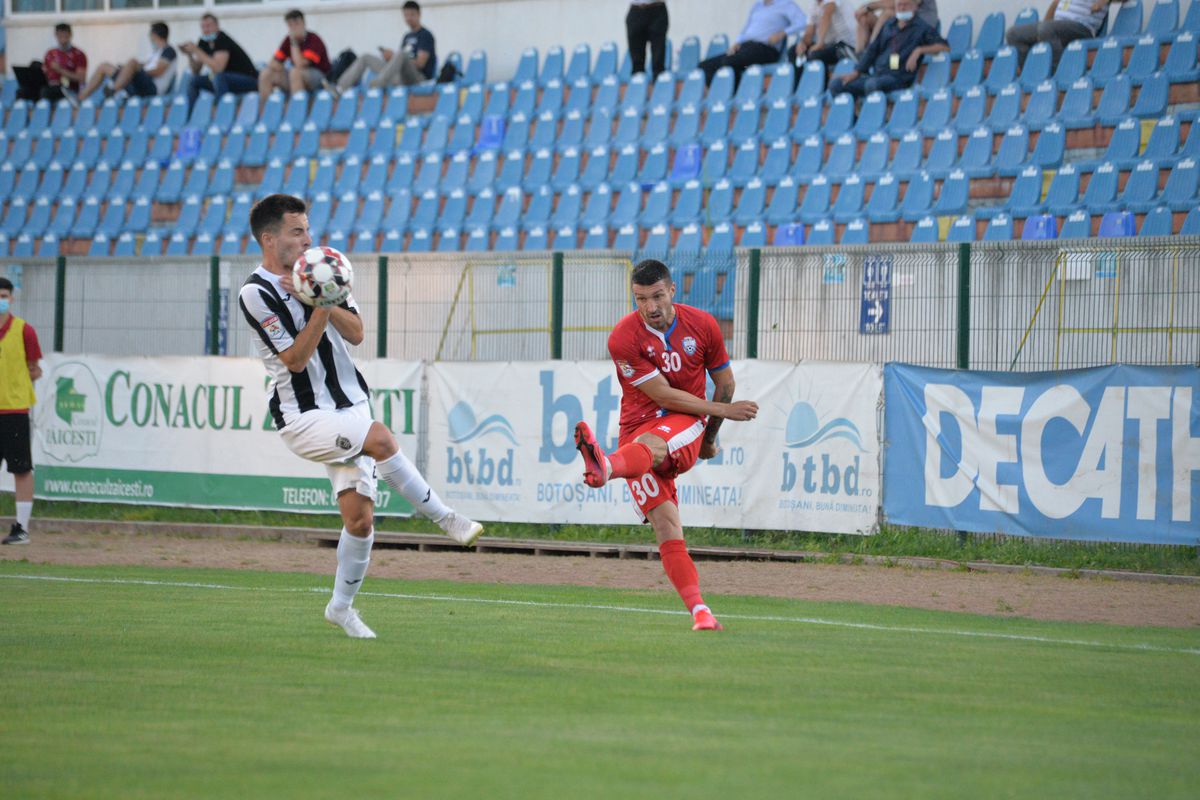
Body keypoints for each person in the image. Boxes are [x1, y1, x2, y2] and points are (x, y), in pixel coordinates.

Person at [238, 194, 483, 638]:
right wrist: (318, 304)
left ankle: (340, 608)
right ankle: (447, 518)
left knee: (359, 519)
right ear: (269, 239)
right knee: (383, 439)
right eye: (297, 232)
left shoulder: (322, 271)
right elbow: (294, 360)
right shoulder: (255, 293)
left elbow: (357, 333)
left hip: (350, 403)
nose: (308, 239)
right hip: (304, 416)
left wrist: (325, 297)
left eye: (307, 229)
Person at [573, 260, 759, 632]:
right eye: (641, 299)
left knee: (652, 443)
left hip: (684, 423)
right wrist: (723, 410)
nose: (650, 307)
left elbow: (725, 384)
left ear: (673, 291)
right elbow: (660, 393)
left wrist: (709, 436)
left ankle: (605, 467)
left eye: (657, 296)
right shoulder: (622, 337)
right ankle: (700, 612)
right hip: (635, 434)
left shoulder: (702, 325)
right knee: (667, 527)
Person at [0, 278, 43, 547]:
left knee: (21, 469)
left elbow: (35, 368)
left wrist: (19, 382)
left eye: (4, 295)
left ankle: (22, 528)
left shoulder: (24, 330)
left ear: (12, 298)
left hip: (14, 409)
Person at [830, 0, 947, 98]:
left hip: (898, 78)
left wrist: (919, 50)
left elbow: (944, 46)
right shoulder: (889, 26)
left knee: (872, 84)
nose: (902, 8)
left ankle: (875, 120)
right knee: (836, 85)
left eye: (905, 4)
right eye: (899, 5)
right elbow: (872, 50)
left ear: (915, 7)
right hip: (878, 75)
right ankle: (855, 121)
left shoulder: (921, 28)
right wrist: (856, 73)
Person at [332, 1, 436, 94]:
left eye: (412, 15)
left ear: (419, 14)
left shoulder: (425, 35)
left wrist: (395, 56)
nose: (408, 18)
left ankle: (378, 84)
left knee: (401, 54)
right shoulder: (407, 36)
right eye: (406, 15)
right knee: (366, 57)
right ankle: (340, 88)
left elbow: (420, 64)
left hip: (418, 79)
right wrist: (391, 58)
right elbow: (399, 61)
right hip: (400, 77)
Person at [698, 0, 808, 88]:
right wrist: (737, 42)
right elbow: (746, 28)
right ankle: (720, 95)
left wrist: (783, 33)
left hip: (764, 49)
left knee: (730, 62)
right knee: (705, 66)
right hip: (744, 48)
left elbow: (803, 22)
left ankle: (736, 96)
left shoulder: (786, 4)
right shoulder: (757, 5)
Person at [77, 21, 176, 103]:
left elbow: (158, 71)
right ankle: (80, 98)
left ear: (154, 35)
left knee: (132, 62)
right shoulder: (155, 53)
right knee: (104, 66)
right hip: (139, 84)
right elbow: (144, 66)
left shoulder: (169, 51)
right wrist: (126, 70)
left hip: (153, 88)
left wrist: (134, 70)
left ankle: (113, 90)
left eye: (150, 35)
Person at [1006, 0, 1118, 69]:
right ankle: (1032, 74)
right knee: (1013, 34)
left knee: (1047, 29)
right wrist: (1042, 27)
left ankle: (1059, 73)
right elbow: (1056, 3)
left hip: (1082, 27)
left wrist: (1105, 0)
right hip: (1058, 26)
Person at [181, 13, 259, 111]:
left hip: (248, 80)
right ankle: (190, 114)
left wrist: (197, 50)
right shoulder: (203, 42)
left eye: (208, 26)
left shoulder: (222, 39)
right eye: (203, 27)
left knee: (219, 77)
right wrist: (190, 54)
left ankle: (220, 112)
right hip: (224, 81)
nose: (206, 30)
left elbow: (218, 68)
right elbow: (196, 70)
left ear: (217, 26)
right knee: (194, 80)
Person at [258, 9, 331, 109]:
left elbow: (300, 64)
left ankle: (297, 112)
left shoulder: (313, 39)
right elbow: (273, 63)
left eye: (296, 23)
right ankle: (268, 112)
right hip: (296, 77)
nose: (293, 28)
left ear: (303, 23)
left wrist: (294, 43)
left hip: (320, 78)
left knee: (295, 72)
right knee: (266, 73)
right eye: (290, 25)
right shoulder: (288, 40)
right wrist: (279, 66)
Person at [789, 0, 857, 85]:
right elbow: (809, 31)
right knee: (793, 51)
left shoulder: (830, 2)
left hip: (846, 45)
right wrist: (803, 43)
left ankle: (821, 88)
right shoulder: (814, 5)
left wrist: (819, 43)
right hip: (830, 45)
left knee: (816, 55)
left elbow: (826, 15)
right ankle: (799, 88)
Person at [855, 0, 938, 53]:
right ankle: (859, 55)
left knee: (888, 13)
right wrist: (864, 9)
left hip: (922, 24)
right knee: (864, 18)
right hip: (905, 21)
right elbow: (886, 3)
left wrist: (868, 7)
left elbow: (899, 3)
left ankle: (871, 50)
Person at [41, 22, 88, 105]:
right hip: (49, 86)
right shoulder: (50, 53)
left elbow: (81, 78)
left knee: (45, 92)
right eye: (60, 35)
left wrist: (60, 70)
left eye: (65, 35)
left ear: (70, 35)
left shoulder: (78, 54)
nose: (62, 38)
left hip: (68, 90)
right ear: (56, 35)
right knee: (23, 92)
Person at [627, 1, 670, 78]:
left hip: (657, 8)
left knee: (658, 58)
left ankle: (660, 86)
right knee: (637, 62)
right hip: (636, 9)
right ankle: (638, 86)